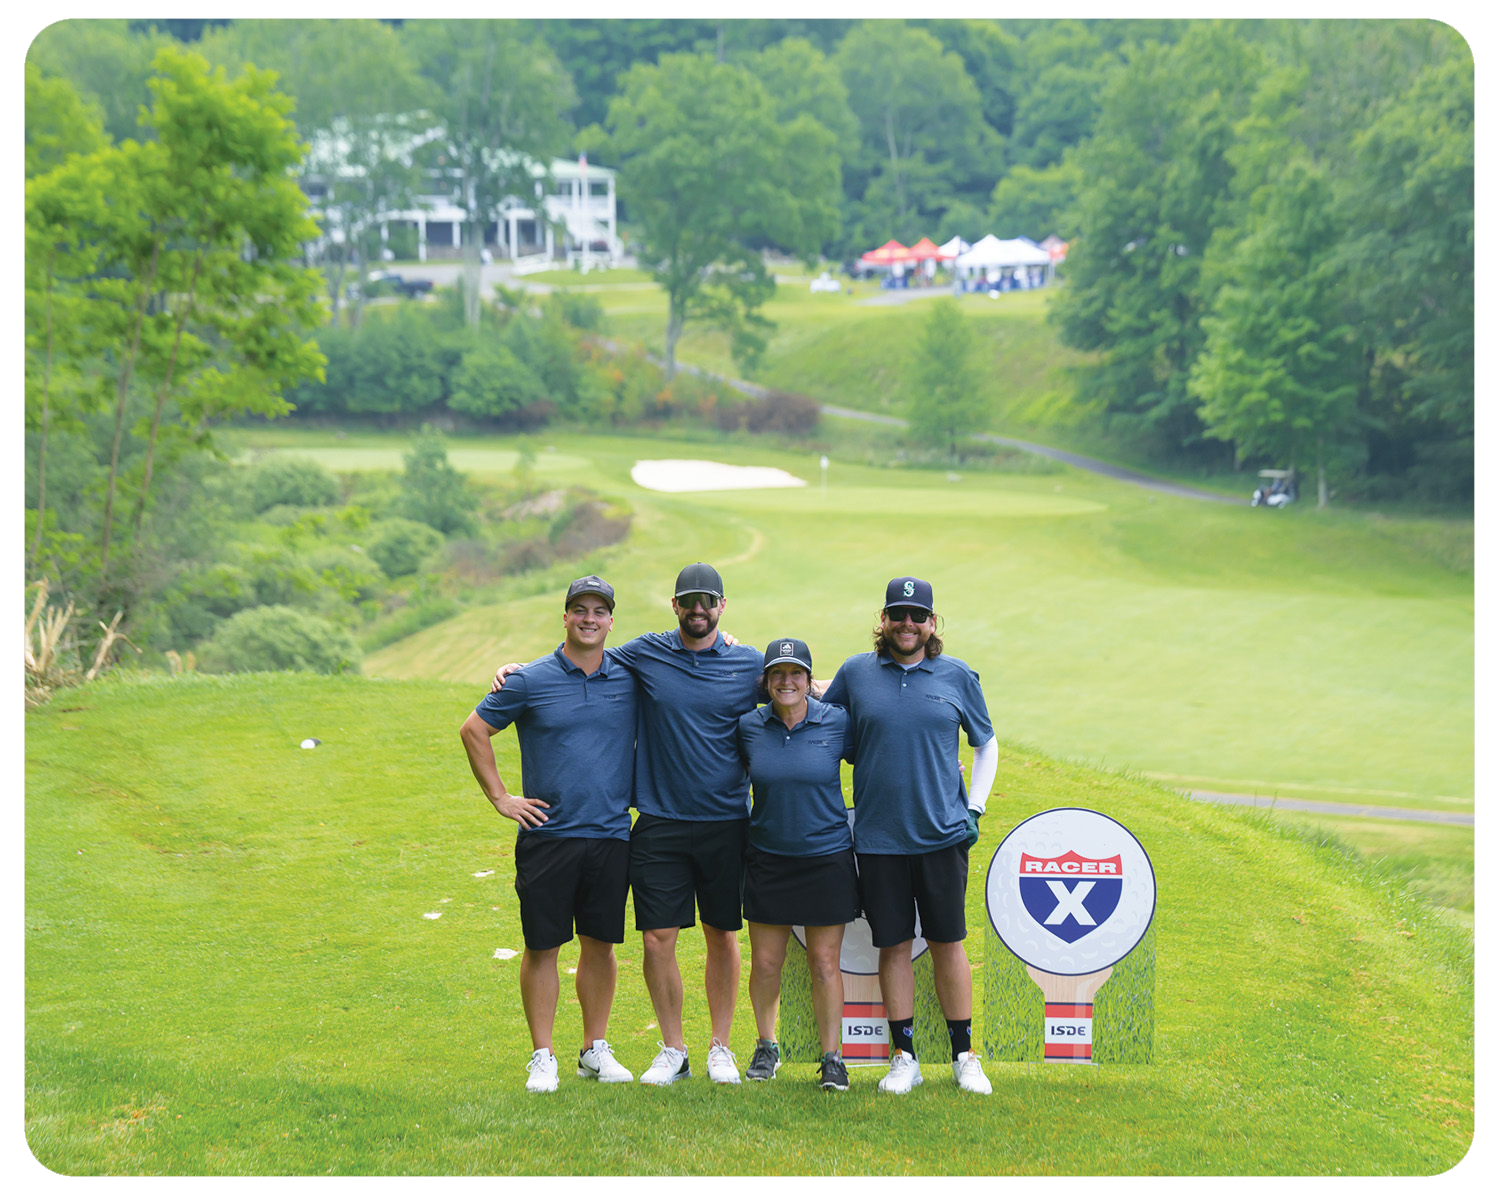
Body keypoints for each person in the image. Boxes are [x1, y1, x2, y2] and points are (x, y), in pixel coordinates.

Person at [492, 562, 764, 1086]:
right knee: (657, 939)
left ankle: (721, 1047)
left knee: (722, 934)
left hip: (727, 821)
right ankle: (673, 1049)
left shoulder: (747, 663)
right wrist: (519, 670)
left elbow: (793, 688)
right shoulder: (647, 653)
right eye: (690, 601)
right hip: (658, 821)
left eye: (709, 601)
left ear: (722, 607)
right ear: (675, 606)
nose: (700, 610)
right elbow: (582, 655)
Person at [822, 576, 1001, 1096]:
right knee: (894, 945)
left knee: (948, 943)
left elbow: (986, 744)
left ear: (932, 623)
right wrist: (792, 682)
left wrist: (975, 808)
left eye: (917, 615)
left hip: (942, 835)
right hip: (878, 840)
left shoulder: (958, 676)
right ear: (883, 619)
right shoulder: (856, 674)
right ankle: (905, 1057)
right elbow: (822, 724)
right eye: (897, 614)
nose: (907, 624)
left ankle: (965, 1054)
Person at [459, 575, 637, 1094]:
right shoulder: (527, 679)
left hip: (610, 834)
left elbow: (689, 652)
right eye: (579, 609)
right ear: (564, 616)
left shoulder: (629, 672)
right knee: (543, 947)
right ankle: (543, 1055)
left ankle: (593, 1049)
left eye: (598, 611)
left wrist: (733, 641)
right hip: (548, 835)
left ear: (610, 620)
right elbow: (474, 730)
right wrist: (500, 798)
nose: (588, 619)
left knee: (600, 945)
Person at [735, 638, 858, 1092]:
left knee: (825, 963)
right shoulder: (749, 726)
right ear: (766, 681)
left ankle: (832, 1057)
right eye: (778, 674)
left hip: (825, 857)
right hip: (768, 856)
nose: (787, 682)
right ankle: (767, 1045)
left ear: (809, 680)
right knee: (766, 963)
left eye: (796, 673)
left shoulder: (837, 722)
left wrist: (950, 773)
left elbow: (881, 755)